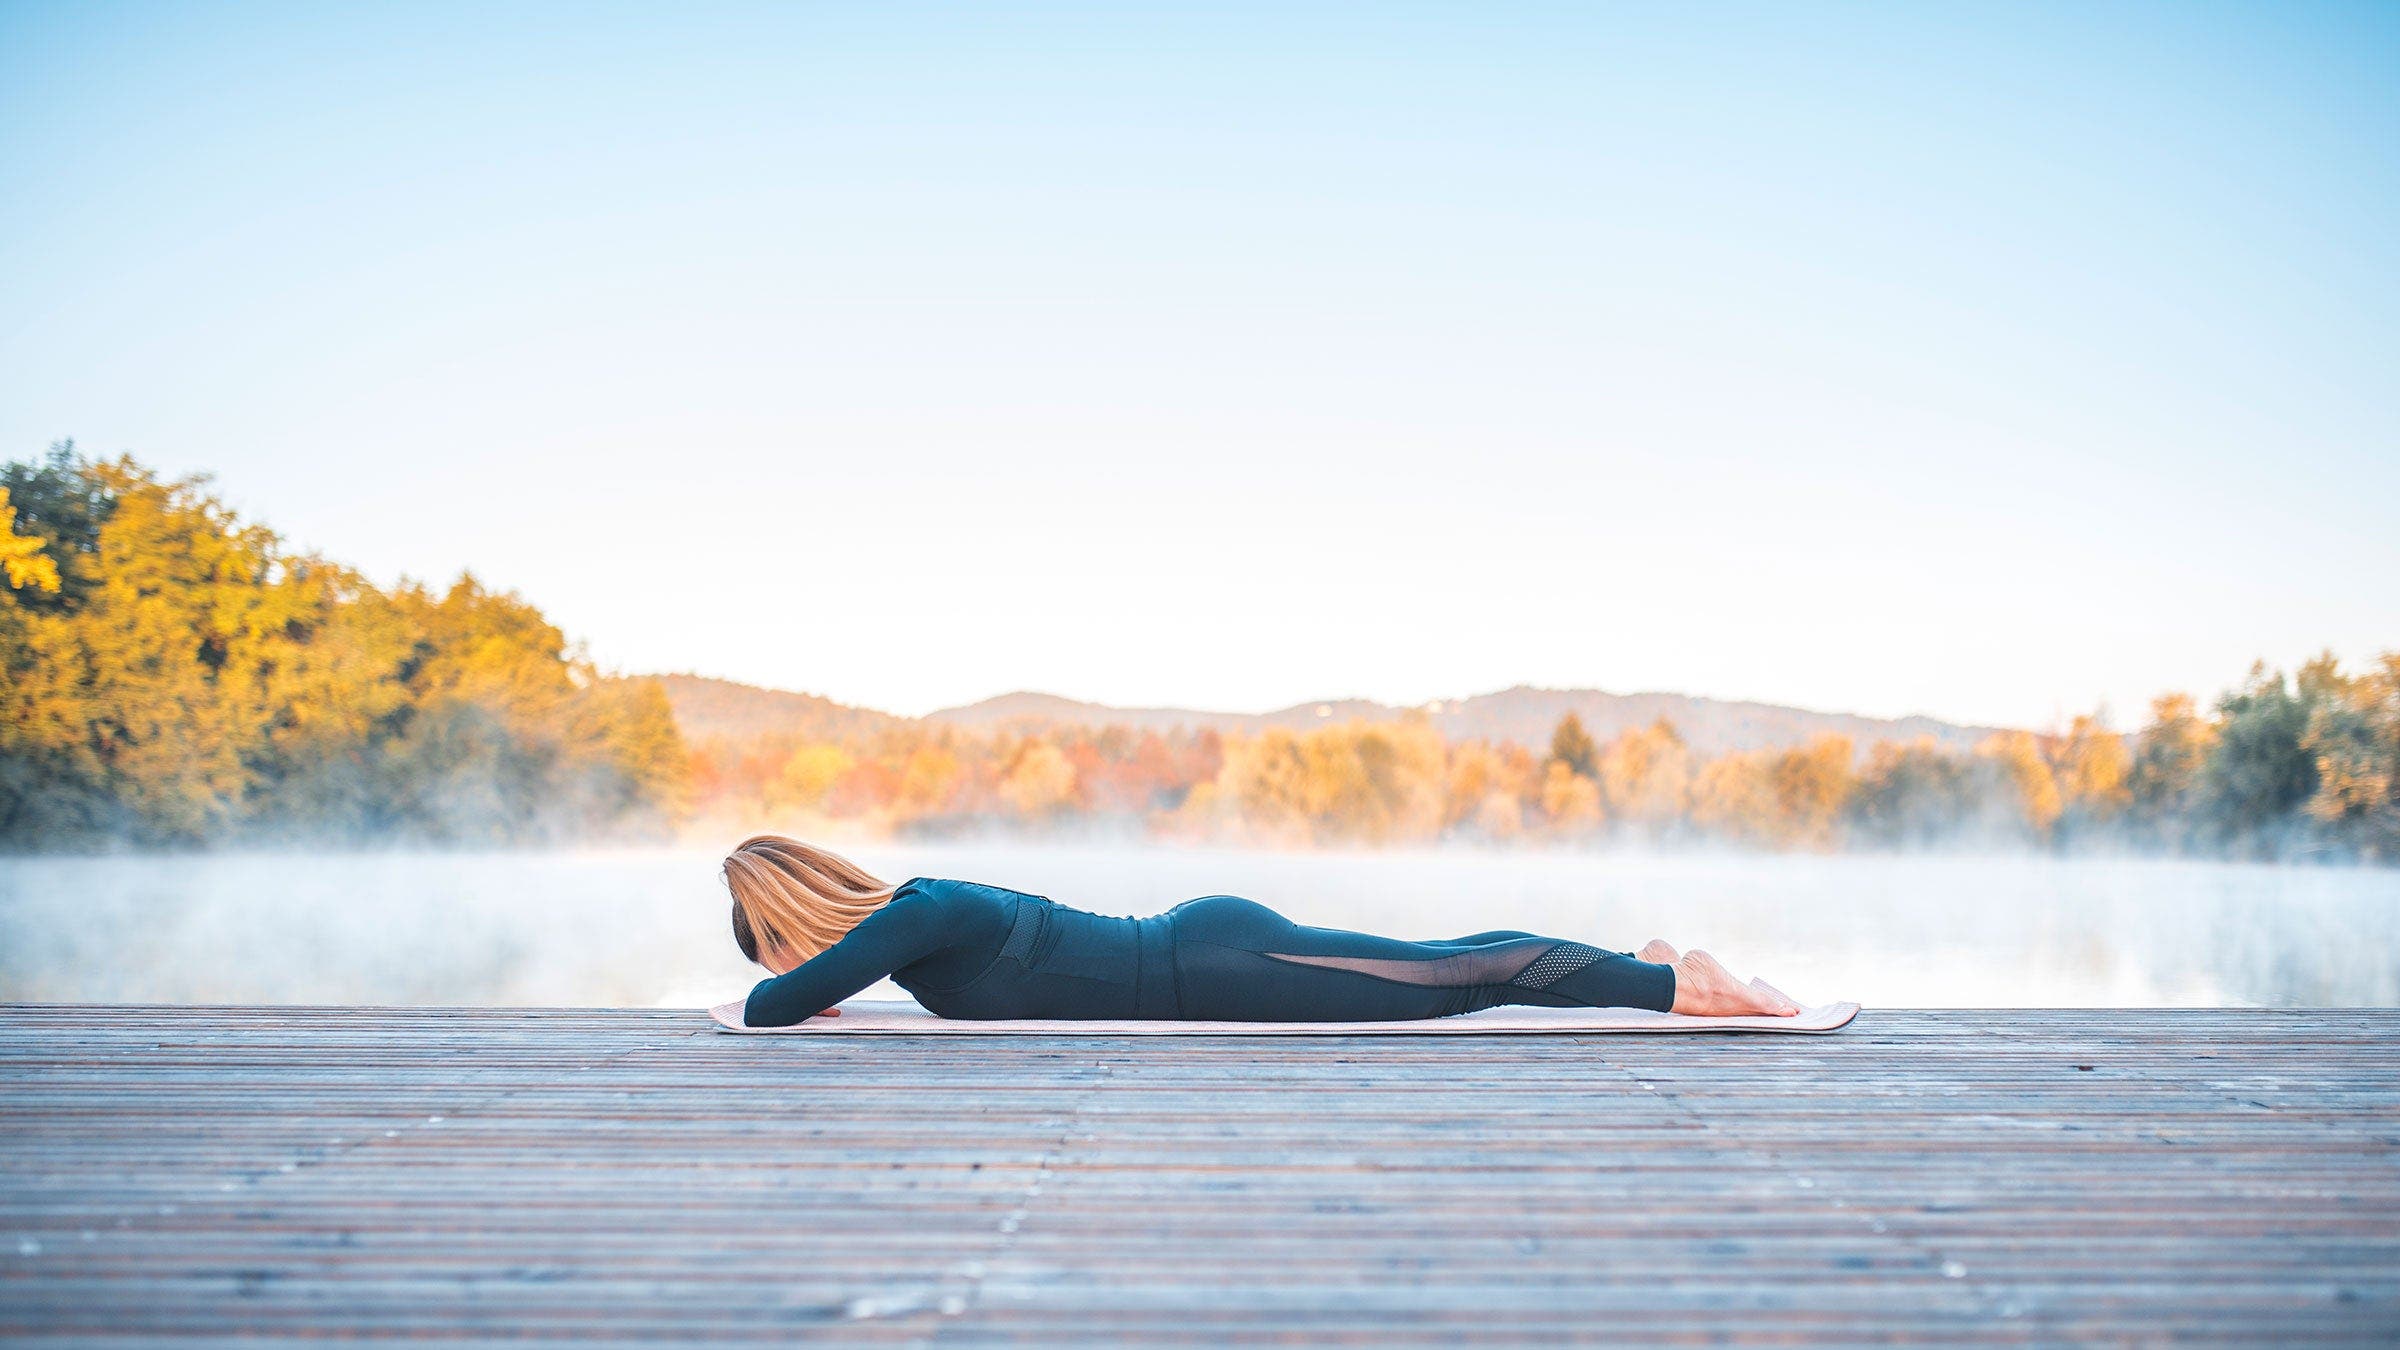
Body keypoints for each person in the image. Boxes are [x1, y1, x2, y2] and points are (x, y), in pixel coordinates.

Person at [724, 835, 1802, 1028]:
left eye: (781, 944)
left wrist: (796, 985)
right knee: (1445, 968)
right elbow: (797, 993)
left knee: (1463, 979)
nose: (800, 973)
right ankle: (1647, 965)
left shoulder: (918, 916)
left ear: (794, 925)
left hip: (1213, 962)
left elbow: (772, 1010)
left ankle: (1684, 990)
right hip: (1205, 961)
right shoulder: (913, 937)